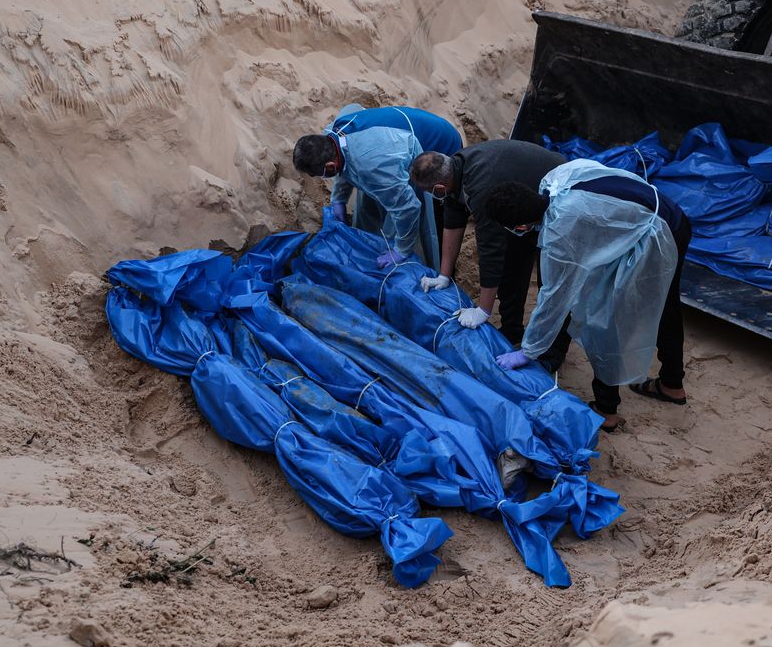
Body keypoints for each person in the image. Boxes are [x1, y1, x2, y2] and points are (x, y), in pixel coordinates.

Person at [484, 159, 692, 431]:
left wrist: (528, 350)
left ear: (521, 226)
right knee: (665, 305)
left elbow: (554, 297)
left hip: (657, 233)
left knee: (603, 315)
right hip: (665, 211)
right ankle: (672, 383)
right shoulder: (553, 179)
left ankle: (607, 411)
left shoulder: (561, 232)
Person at [409, 139, 570, 370]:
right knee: (513, 262)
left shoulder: (481, 188)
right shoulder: (455, 169)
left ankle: (552, 352)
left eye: (428, 192)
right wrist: (443, 276)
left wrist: (483, 310)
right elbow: (452, 224)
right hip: (519, 193)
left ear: (440, 187)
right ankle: (512, 329)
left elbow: (490, 251)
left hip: (556, 193)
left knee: (553, 280)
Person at [293, 105, 461, 270]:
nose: (319, 177)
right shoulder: (331, 137)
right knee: (381, 197)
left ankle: (443, 272)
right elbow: (343, 163)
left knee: (435, 220)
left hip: (439, 146)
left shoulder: (375, 165)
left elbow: (408, 208)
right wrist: (339, 199)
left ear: (330, 166)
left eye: (319, 174)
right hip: (398, 138)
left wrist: (401, 251)